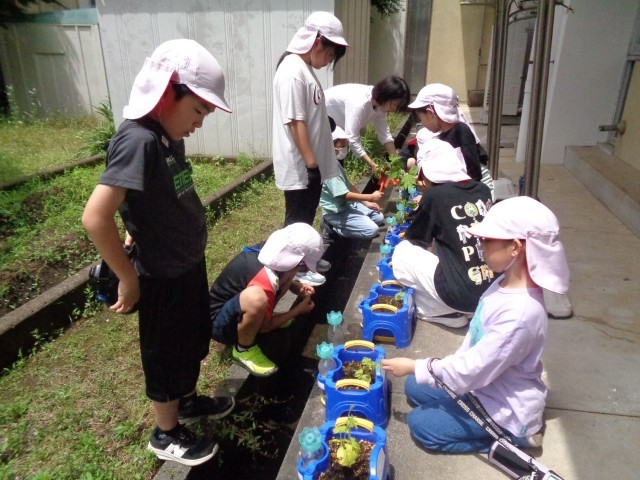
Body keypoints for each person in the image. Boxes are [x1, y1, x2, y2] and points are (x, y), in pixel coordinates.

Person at [82, 39, 235, 467]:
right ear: (169, 92)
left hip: (186, 263)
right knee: (165, 354)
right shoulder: (138, 140)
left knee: (191, 340)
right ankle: (165, 432)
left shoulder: (166, 137)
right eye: (198, 110)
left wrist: (136, 227)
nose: (199, 122)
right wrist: (128, 278)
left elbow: (148, 196)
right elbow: (95, 217)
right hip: (161, 275)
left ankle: (186, 401)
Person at [381, 196, 570, 453]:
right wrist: (425, 370)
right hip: (485, 383)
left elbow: (471, 370)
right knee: (414, 387)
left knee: (421, 425)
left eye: (487, 240)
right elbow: (475, 360)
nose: (479, 245)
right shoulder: (504, 281)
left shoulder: (520, 315)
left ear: (515, 247)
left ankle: (512, 440)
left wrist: (416, 365)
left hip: (504, 409)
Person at [272, 11, 348, 286]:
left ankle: (306, 260)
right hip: (302, 166)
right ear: (317, 41)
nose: (329, 61)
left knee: (305, 217)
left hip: (309, 164)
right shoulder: (292, 71)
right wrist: (311, 164)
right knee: (296, 221)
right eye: (330, 54)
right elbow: (295, 122)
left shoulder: (304, 70)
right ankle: (293, 270)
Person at [391, 138, 493, 328]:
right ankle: (463, 311)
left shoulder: (434, 196)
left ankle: (438, 311)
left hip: (460, 296)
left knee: (402, 252)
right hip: (490, 295)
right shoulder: (483, 190)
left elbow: (416, 239)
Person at [209, 223, 323, 377]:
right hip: (218, 325)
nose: (306, 270)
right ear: (299, 261)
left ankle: (260, 318)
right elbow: (265, 327)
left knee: (285, 277)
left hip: (235, 305)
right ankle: (244, 349)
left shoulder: (269, 252)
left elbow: (281, 275)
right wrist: (297, 310)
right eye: (304, 267)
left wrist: (296, 285)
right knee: (257, 298)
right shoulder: (265, 278)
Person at [408, 83, 495, 199]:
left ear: (430, 113)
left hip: (477, 190)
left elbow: (474, 173)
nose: (422, 123)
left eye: (421, 118)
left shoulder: (461, 131)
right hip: (462, 190)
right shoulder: (442, 136)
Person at [325, 76, 411, 172]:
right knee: (330, 159)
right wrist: (371, 164)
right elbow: (352, 137)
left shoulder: (380, 106)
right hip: (323, 117)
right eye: (395, 104)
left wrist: (395, 164)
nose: (394, 109)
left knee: (338, 159)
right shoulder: (359, 103)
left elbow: (385, 136)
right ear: (386, 96)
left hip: (337, 125)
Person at [319, 126, 385, 242]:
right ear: (330, 145)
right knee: (372, 230)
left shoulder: (334, 162)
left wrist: (366, 203)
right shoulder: (328, 167)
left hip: (348, 205)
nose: (344, 148)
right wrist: (370, 197)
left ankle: (357, 219)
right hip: (336, 211)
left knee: (379, 218)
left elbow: (348, 185)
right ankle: (332, 228)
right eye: (342, 145)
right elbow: (344, 195)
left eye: (345, 145)